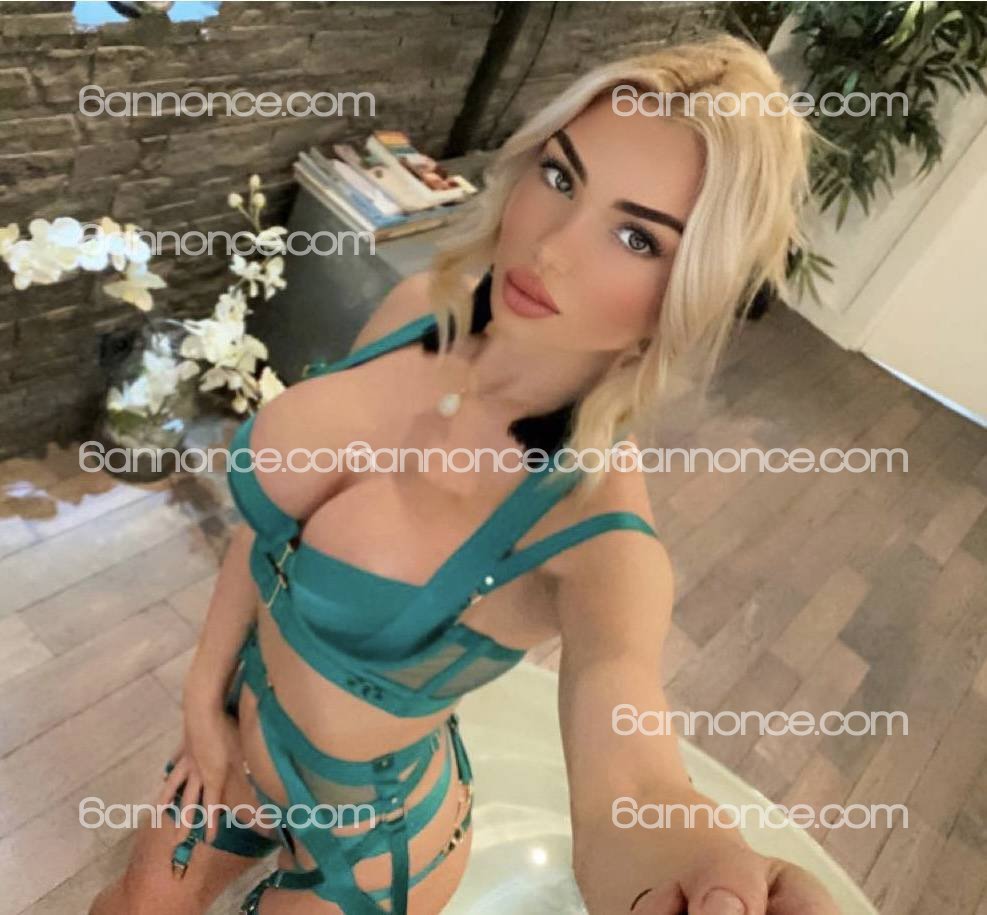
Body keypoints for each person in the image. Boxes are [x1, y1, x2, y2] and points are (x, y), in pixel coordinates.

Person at [91, 32, 840, 915]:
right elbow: (270, 535)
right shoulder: (416, 310)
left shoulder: (596, 542)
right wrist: (201, 701)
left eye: (635, 236)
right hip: (243, 737)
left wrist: (690, 864)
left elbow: (631, 777)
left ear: (692, 289)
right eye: (560, 176)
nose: (551, 247)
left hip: (373, 847)